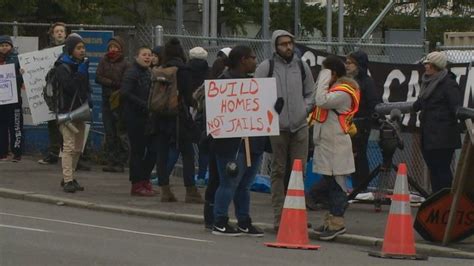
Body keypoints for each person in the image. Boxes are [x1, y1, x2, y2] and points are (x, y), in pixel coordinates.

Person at [254, 30, 315, 231]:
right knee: (278, 171)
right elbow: (256, 94)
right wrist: (271, 110)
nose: (287, 47)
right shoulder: (266, 67)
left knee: (299, 171)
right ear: (275, 46)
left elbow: (310, 93)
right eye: (283, 44)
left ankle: (297, 215)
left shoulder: (301, 65)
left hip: (300, 126)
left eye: (290, 43)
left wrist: (304, 109)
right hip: (277, 127)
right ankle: (280, 217)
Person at [211, 45, 264, 237]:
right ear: (243, 59)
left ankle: (243, 220)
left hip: (252, 142)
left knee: (244, 185)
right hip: (231, 145)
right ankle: (220, 221)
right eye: (252, 57)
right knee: (229, 182)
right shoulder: (223, 83)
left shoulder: (252, 84)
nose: (255, 61)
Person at [311, 56, 360, 240]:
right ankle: (330, 220)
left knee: (337, 185)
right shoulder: (333, 89)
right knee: (330, 183)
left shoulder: (343, 91)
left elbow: (321, 101)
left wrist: (324, 75)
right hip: (327, 144)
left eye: (324, 72)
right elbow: (317, 98)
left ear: (332, 73)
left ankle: (337, 221)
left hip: (336, 145)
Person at [152, 38, 203, 203]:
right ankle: (191, 190)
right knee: (187, 153)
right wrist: (195, 104)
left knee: (162, 153)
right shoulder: (183, 70)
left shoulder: (160, 70)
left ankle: (165, 190)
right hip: (178, 118)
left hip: (160, 116)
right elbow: (188, 97)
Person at [413, 51, 461, 194]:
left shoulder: (449, 84)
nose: (426, 67)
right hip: (429, 135)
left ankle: (445, 199)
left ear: (436, 66)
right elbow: (419, 103)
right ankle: (437, 198)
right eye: (426, 64)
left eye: (429, 65)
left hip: (443, 137)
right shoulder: (427, 83)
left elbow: (456, 108)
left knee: (442, 170)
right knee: (433, 169)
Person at [55, 34, 91, 193]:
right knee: (68, 147)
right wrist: (81, 72)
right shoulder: (62, 66)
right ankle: (68, 180)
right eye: (78, 48)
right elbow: (70, 87)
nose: (82, 51)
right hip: (66, 113)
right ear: (71, 50)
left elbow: (85, 88)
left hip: (80, 111)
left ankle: (69, 176)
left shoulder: (80, 64)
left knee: (78, 147)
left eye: (83, 48)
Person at [121, 46, 156, 197]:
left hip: (147, 117)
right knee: (137, 151)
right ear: (137, 57)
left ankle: (145, 180)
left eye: (149, 55)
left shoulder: (148, 73)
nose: (147, 57)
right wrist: (144, 104)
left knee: (153, 150)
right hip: (134, 118)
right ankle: (136, 184)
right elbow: (125, 93)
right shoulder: (132, 72)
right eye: (144, 55)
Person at [344, 50, 380, 189]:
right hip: (348, 123)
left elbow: (373, 104)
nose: (346, 66)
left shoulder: (366, 82)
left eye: (349, 63)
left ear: (358, 65)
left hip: (360, 125)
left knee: (359, 157)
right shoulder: (348, 81)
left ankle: (361, 187)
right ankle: (356, 187)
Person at [96, 37, 129, 173]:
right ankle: (111, 160)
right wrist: (111, 83)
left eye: (115, 47)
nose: (113, 50)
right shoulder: (104, 61)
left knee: (119, 132)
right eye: (110, 47)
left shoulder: (126, 64)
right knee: (109, 131)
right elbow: (98, 77)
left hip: (119, 101)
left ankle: (121, 161)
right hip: (106, 98)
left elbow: (125, 81)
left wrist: (115, 84)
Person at [38, 22, 66, 165]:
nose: (60, 33)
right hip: (52, 93)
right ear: (53, 34)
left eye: (62, 31)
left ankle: (69, 155)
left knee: (67, 124)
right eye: (57, 31)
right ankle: (54, 153)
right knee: (52, 124)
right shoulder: (46, 52)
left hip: (66, 92)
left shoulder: (70, 49)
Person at [0, 35, 24, 162]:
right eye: (2, 45)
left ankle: (17, 153)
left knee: (15, 126)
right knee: (1, 126)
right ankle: (2, 153)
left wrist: (19, 76)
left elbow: (23, 78)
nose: (4, 48)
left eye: (7, 45)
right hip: (1, 100)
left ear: (11, 46)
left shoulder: (17, 59)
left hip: (14, 99)